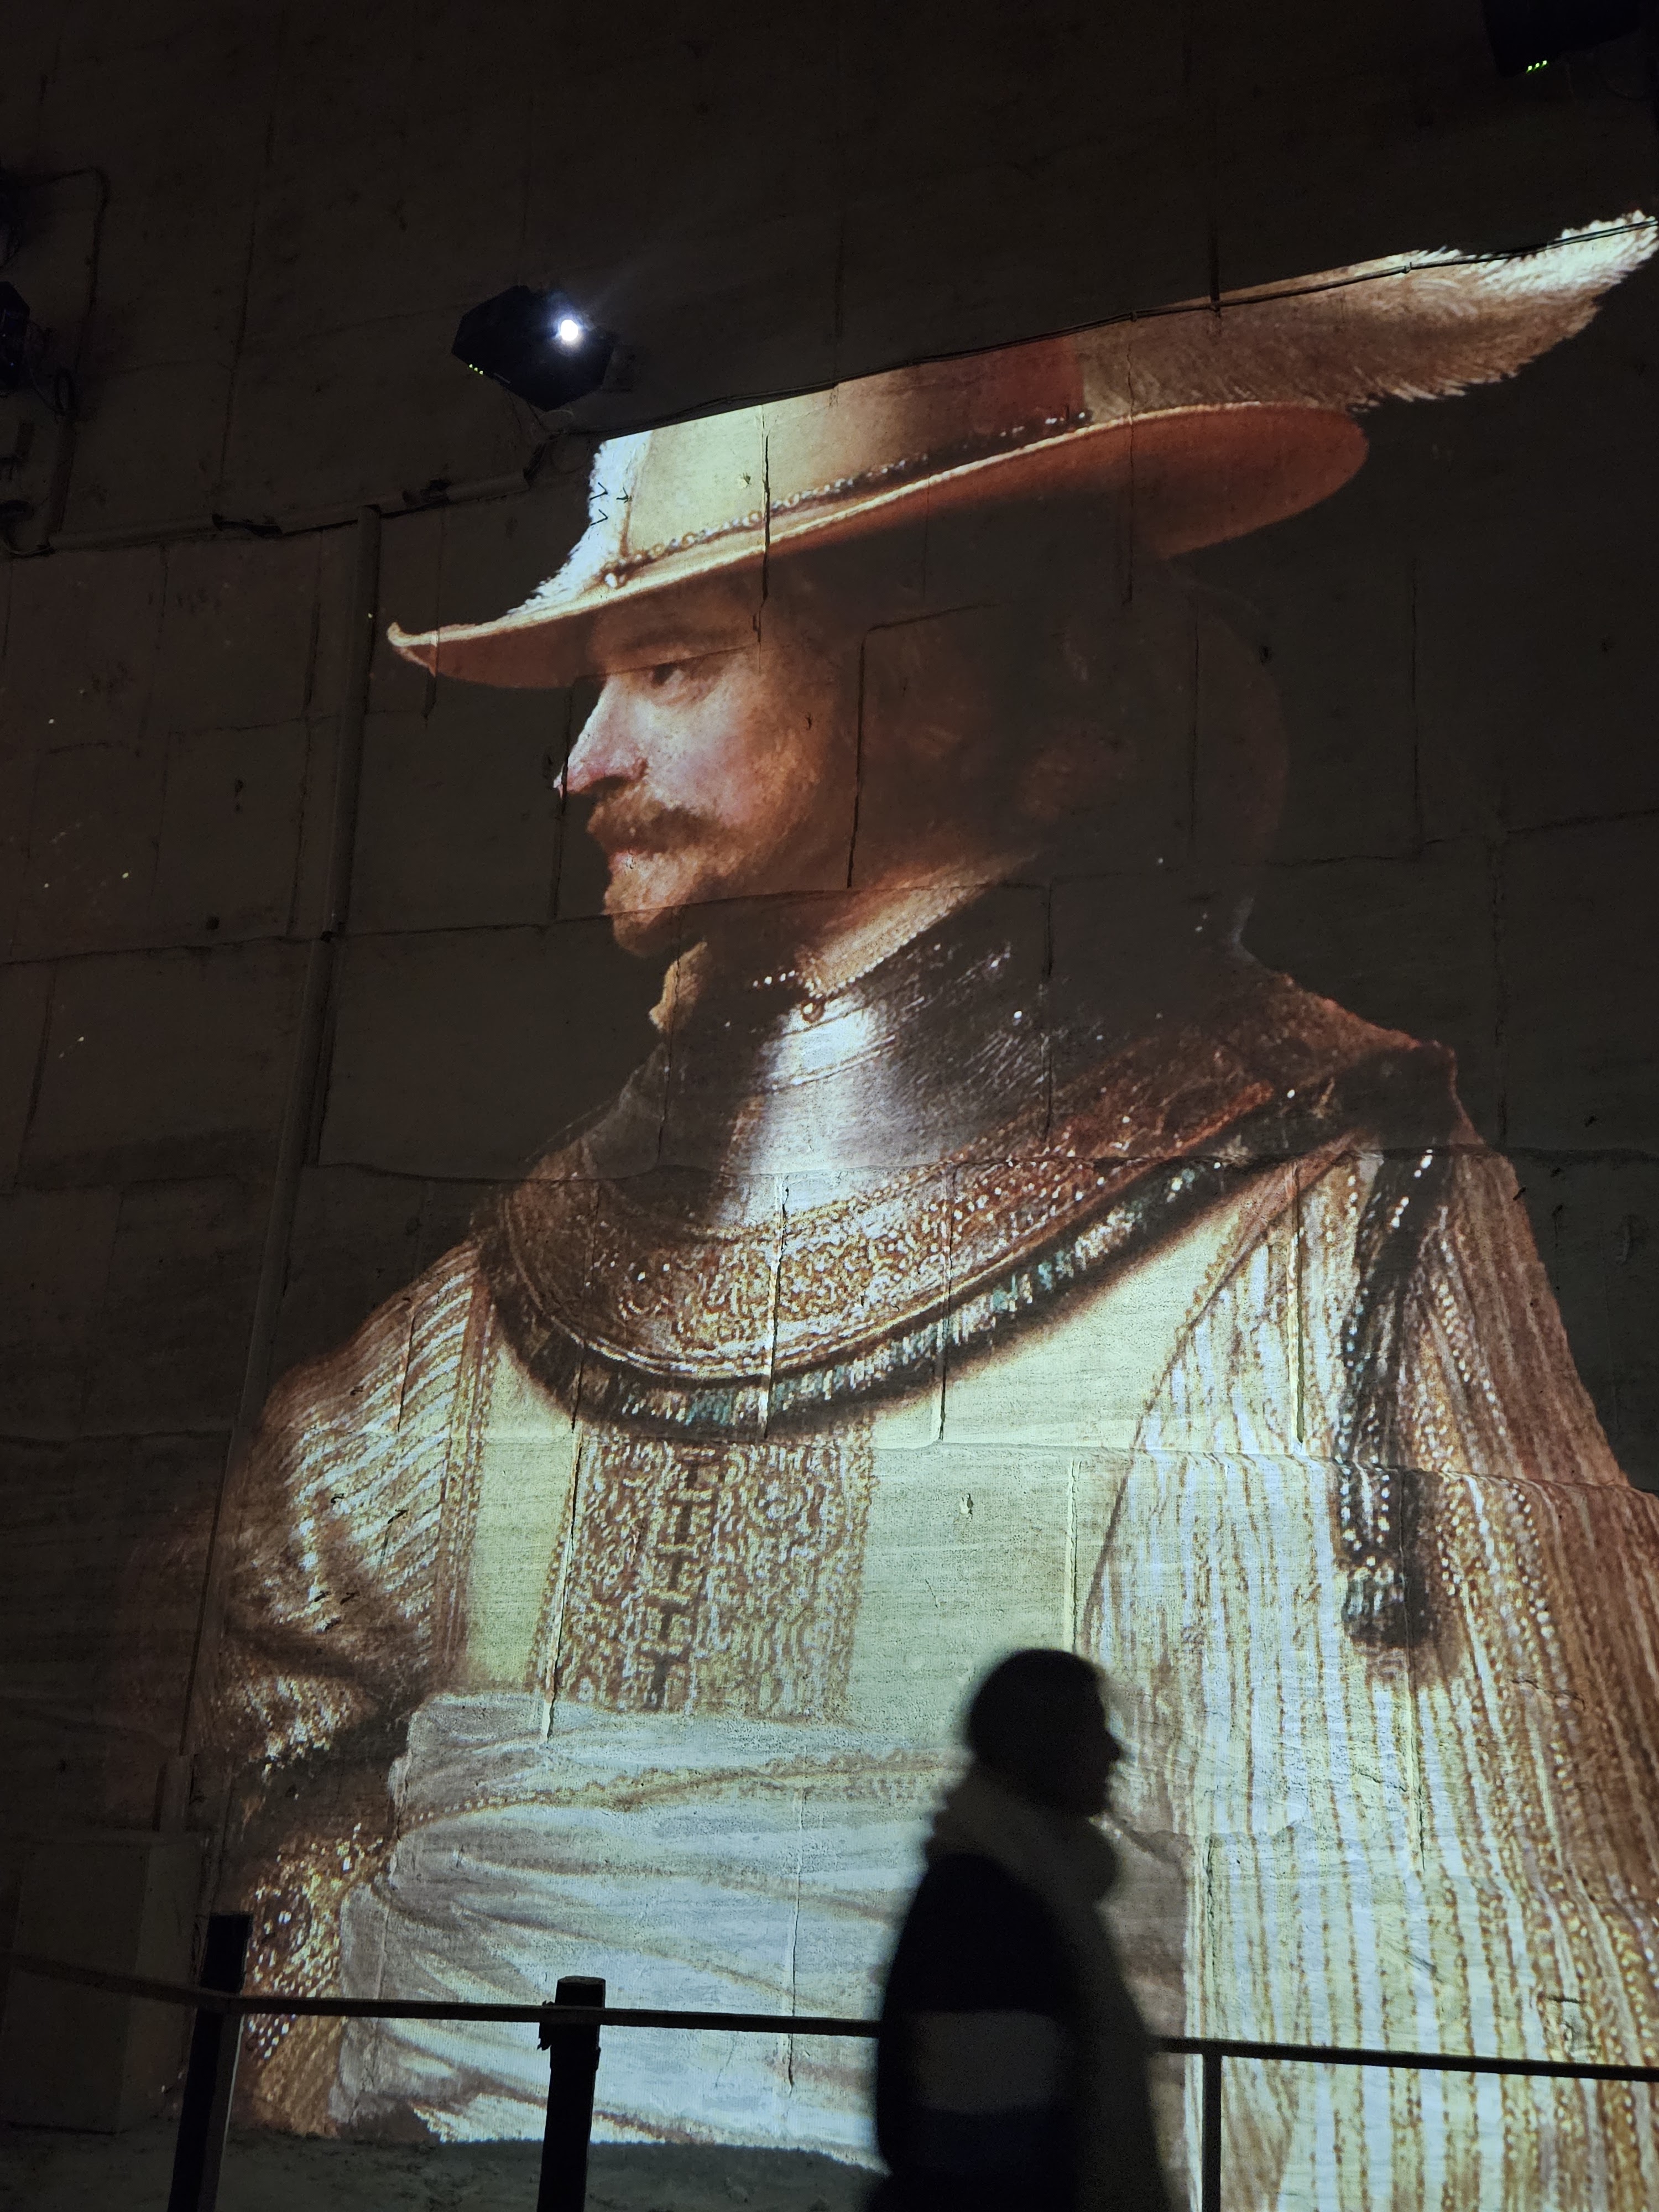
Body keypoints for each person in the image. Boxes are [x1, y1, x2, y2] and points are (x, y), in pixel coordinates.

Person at [188, 217, 1659, 2206]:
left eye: (670, 666)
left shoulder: (1312, 1222)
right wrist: (389, 2013)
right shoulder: (530, 1271)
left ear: (947, 669)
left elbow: (1454, 2057)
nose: (583, 760)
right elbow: (272, 1633)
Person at [874, 1651, 1170, 2212]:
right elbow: (980, 2155)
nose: (1116, 1751)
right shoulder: (984, 1902)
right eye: (1093, 1730)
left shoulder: (1034, 1884)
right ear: (1041, 1746)